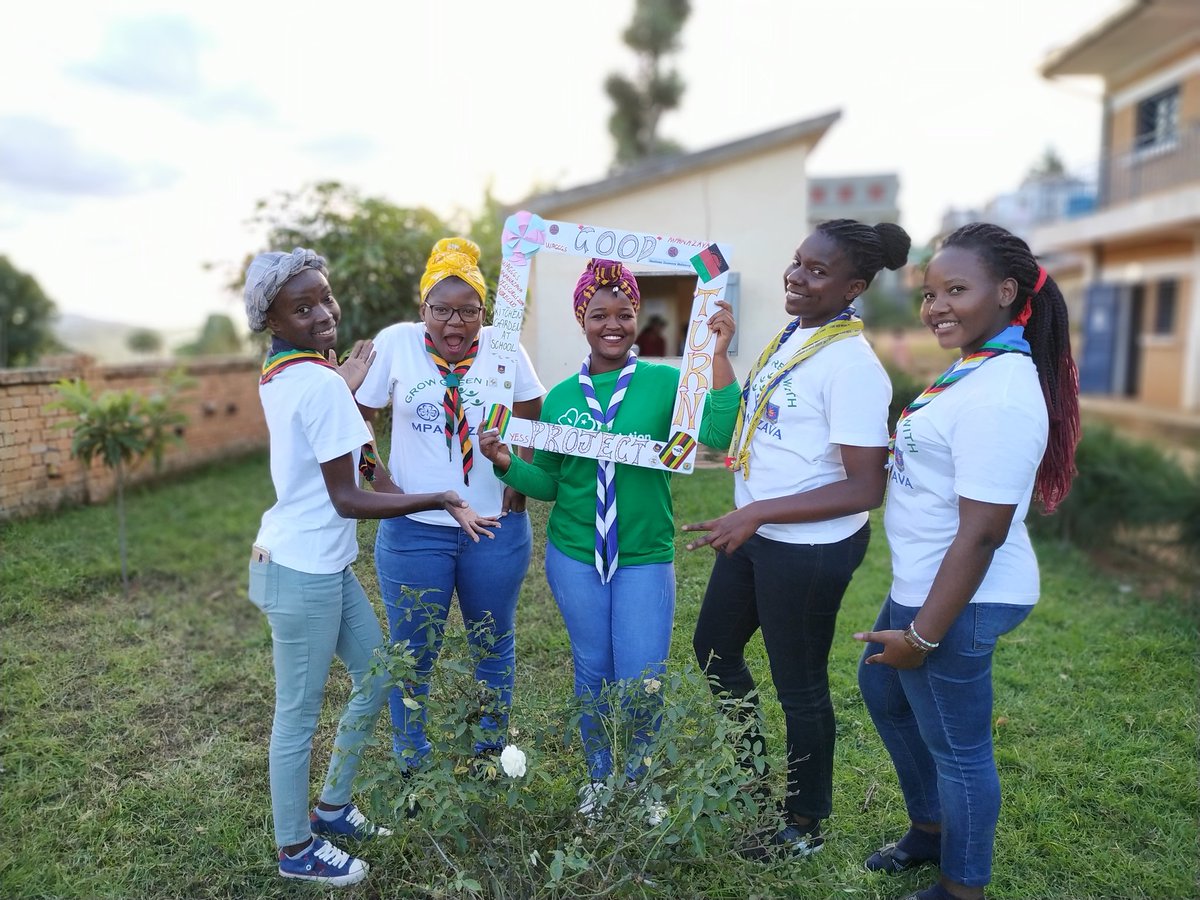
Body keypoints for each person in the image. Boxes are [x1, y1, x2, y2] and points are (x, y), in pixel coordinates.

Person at [244, 248, 496, 886]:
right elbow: (350, 497)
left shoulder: (285, 373)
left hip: (318, 567)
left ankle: (332, 806)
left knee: (379, 675)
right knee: (297, 716)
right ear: (271, 320)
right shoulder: (320, 381)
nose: (324, 313)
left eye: (324, 297)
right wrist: (437, 497)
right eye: (302, 308)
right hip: (301, 572)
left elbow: (359, 464)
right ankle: (295, 850)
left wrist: (347, 390)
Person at [854, 223, 1080, 900]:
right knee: (883, 691)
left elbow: (983, 532)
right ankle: (930, 832)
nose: (936, 306)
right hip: (926, 579)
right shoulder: (978, 366)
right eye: (930, 293)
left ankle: (962, 886)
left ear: (1007, 293)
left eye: (957, 289)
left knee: (957, 745)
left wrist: (924, 636)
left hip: (965, 594)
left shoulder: (1005, 392)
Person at [682, 219, 912, 859]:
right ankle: (756, 783)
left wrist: (758, 514)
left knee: (800, 685)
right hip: (758, 530)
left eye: (816, 271)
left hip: (808, 550)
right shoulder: (794, 334)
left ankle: (805, 823)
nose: (795, 276)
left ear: (854, 287)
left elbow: (867, 487)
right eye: (796, 261)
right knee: (714, 650)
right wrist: (722, 349)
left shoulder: (854, 367)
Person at [478, 258, 739, 817]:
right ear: (583, 320)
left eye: (624, 313)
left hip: (644, 554)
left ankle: (640, 780)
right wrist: (504, 462)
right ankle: (599, 777)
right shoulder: (560, 399)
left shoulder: (665, 383)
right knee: (593, 669)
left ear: (638, 317)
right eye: (599, 314)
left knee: (642, 674)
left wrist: (717, 356)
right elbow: (548, 481)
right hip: (575, 553)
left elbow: (717, 433)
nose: (612, 324)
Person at [355, 237, 545, 772]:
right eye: (442, 310)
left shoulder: (506, 349)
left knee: (492, 643)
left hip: (495, 527)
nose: (455, 323)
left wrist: (522, 475)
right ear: (423, 310)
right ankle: (412, 758)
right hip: (414, 529)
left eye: (468, 311)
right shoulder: (397, 344)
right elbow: (355, 417)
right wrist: (378, 479)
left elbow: (532, 405)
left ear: (485, 312)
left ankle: (488, 752)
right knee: (412, 652)